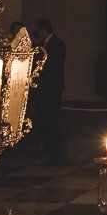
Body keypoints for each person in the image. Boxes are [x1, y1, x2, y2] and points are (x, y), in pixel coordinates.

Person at [33, 18, 67, 159]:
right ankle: (48, 145)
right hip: (45, 86)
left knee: (53, 116)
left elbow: (53, 65)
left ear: (43, 29)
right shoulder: (43, 44)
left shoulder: (58, 44)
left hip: (52, 86)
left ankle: (54, 146)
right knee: (46, 116)